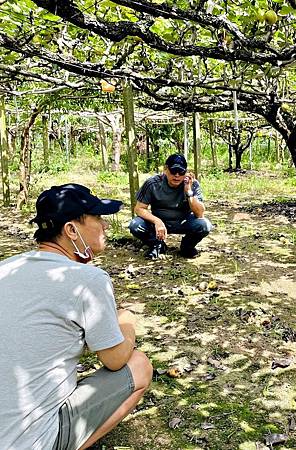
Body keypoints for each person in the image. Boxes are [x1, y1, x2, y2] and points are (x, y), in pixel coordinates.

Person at [0, 184, 153, 450]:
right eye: (97, 218)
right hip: (29, 441)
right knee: (139, 365)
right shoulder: (88, 280)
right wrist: (126, 320)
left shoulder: (6, 268)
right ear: (71, 230)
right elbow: (115, 360)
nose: (105, 226)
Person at [129, 154, 211, 259]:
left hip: (183, 221)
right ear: (165, 169)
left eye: (181, 172)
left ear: (186, 172)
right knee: (135, 225)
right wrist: (157, 221)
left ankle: (187, 247)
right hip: (159, 221)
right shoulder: (152, 183)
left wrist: (189, 192)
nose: (177, 175)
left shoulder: (192, 184)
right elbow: (139, 209)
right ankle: (157, 245)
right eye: (173, 171)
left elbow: (200, 214)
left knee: (204, 225)